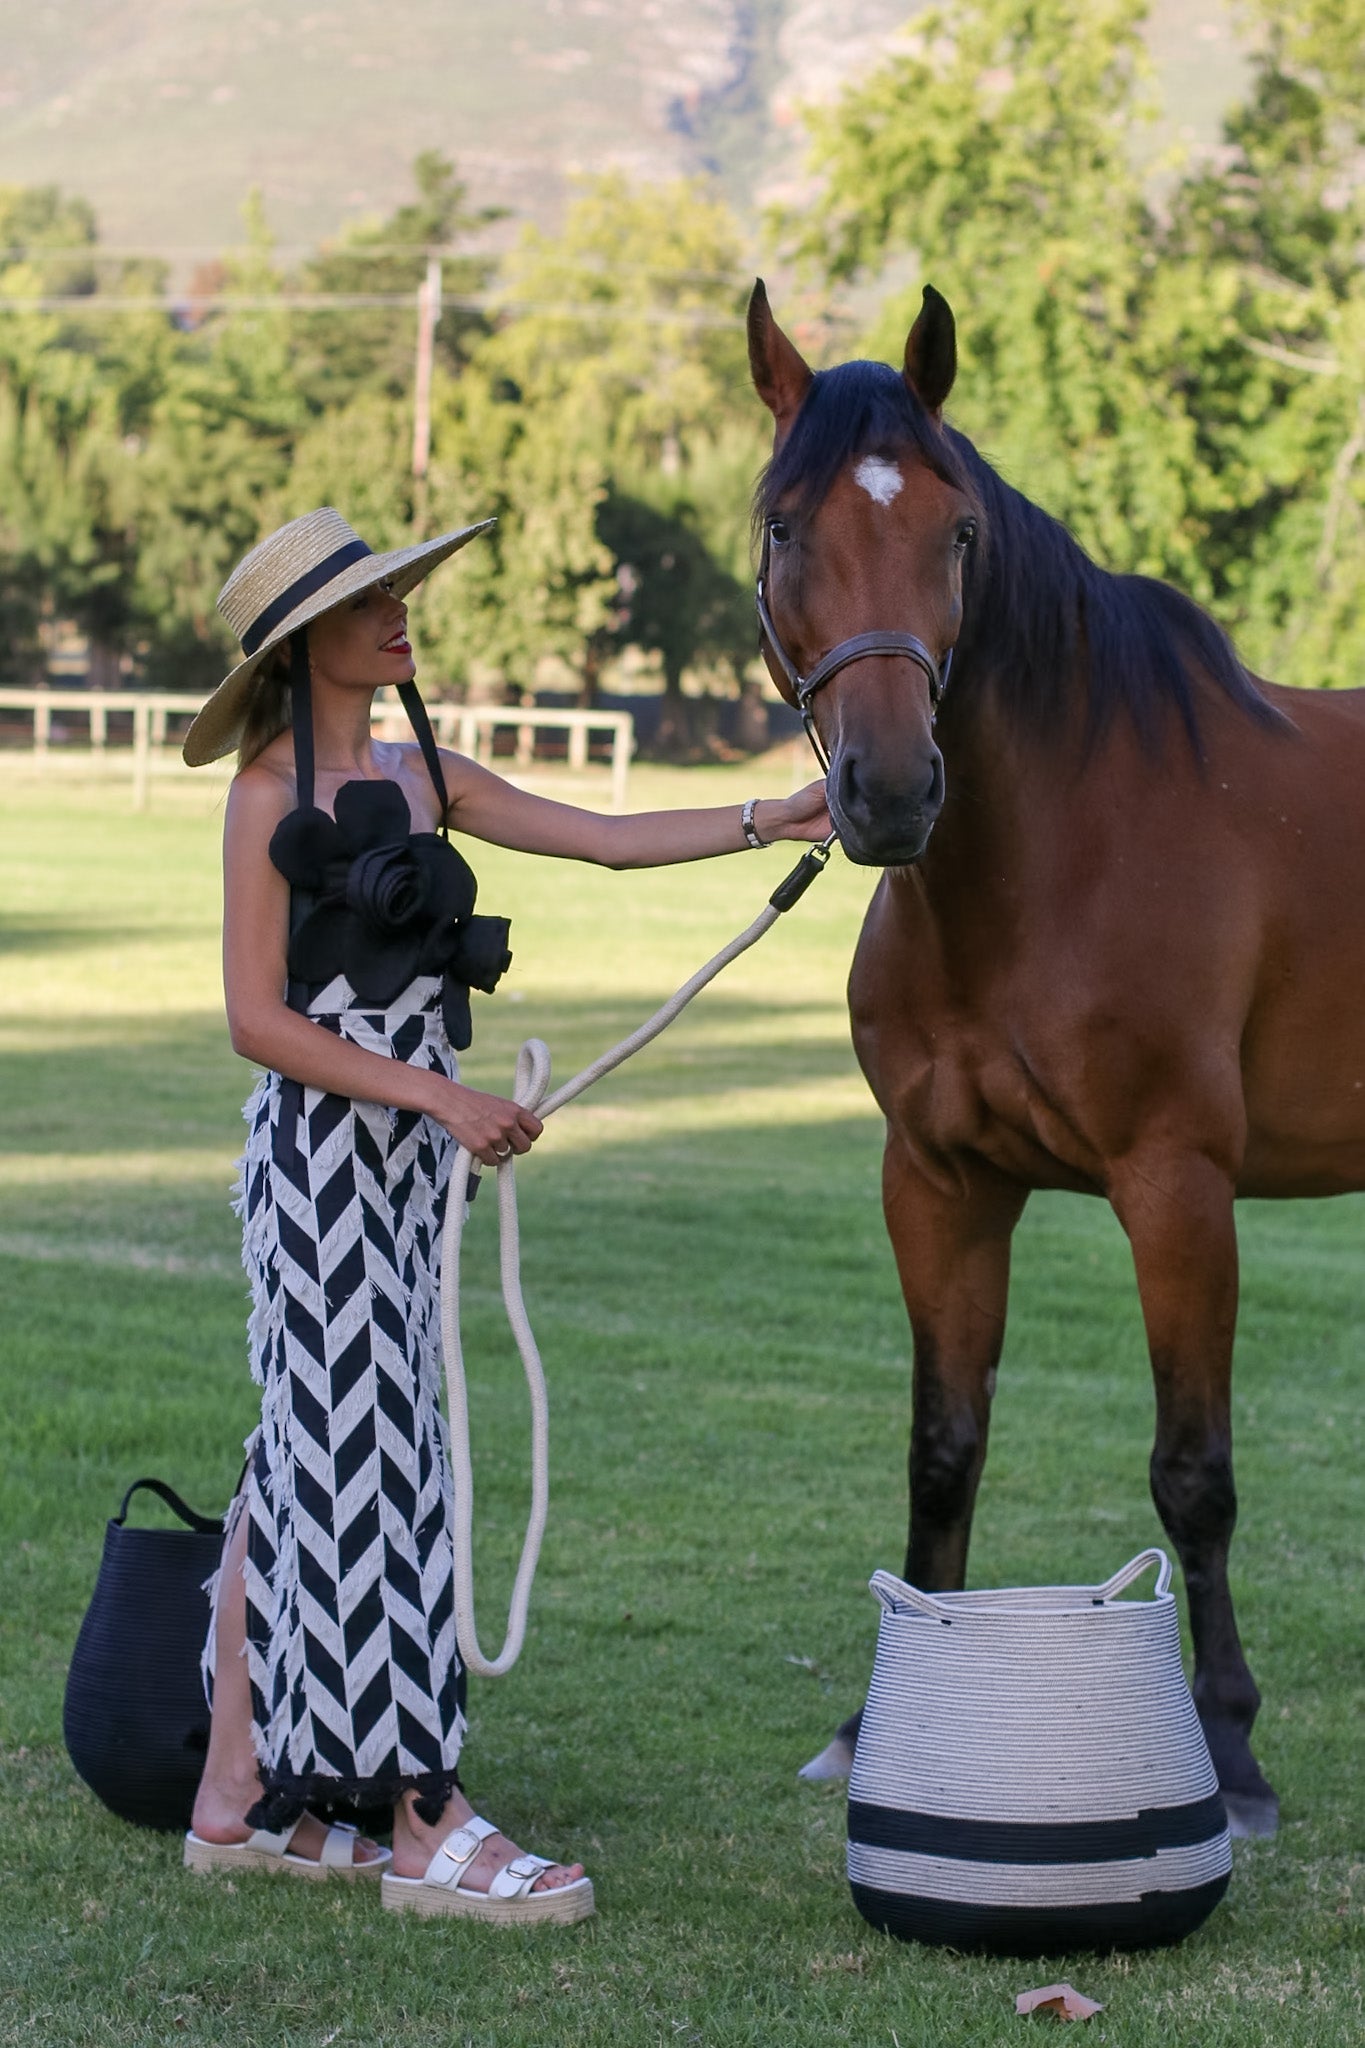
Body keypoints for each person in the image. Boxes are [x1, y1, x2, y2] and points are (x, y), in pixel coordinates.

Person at [179, 507, 830, 1924]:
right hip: (323, 1167)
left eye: (399, 594)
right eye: (371, 604)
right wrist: (438, 1100)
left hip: (402, 1169)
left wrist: (760, 819)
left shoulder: (425, 775)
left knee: (300, 1454)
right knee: (372, 1467)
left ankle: (236, 1803)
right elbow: (253, 1019)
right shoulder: (262, 794)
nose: (401, 614)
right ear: (307, 644)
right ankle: (424, 1824)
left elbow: (597, 838)